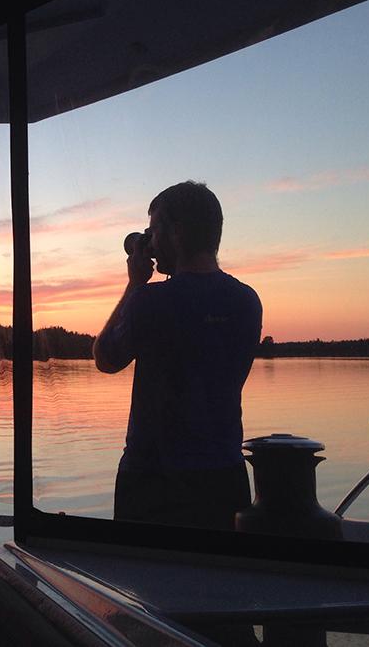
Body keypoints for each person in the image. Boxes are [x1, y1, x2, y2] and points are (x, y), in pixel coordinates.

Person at [93, 181, 262, 529]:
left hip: (153, 481)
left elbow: (105, 358)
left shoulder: (149, 301)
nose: (151, 244)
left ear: (177, 232)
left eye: (155, 231)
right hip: (224, 477)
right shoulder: (247, 301)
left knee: (141, 582)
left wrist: (135, 283)